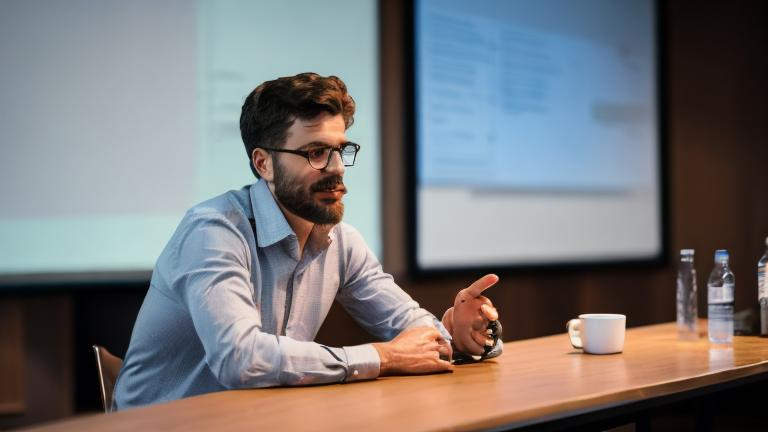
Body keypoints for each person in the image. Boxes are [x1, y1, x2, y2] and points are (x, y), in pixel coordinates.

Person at [112, 72, 502, 410]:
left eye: (340, 151)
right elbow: (241, 358)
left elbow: (415, 333)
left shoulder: (340, 242)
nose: (335, 169)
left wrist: (461, 338)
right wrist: (380, 357)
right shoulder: (213, 231)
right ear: (264, 164)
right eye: (316, 152)